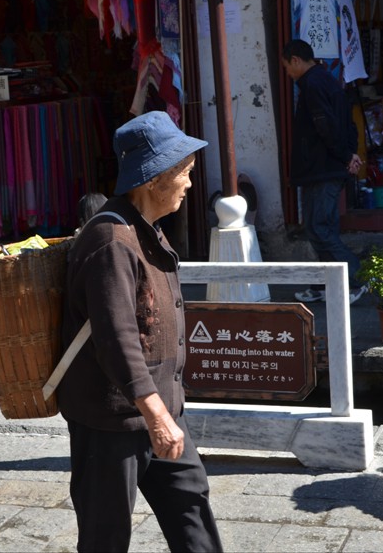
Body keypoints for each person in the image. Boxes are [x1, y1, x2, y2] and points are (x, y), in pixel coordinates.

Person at [57, 111, 223, 553]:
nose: (189, 183)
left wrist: (165, 413)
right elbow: (117, 338)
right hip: (113, 418)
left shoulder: (145, 230)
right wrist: (155, 415)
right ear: (154, 179)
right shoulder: (110, 239)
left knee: (191, 507)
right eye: (183, 173)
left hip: (162, 408)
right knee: (105, 534)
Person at [281, 39, 367, 304]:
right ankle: (322, 286)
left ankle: (358, 279)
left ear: (296, 60)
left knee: (319, 228)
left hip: (322, 169)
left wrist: (345, 156)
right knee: (318, 228)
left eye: (286, 66)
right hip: (326, 167)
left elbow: (326, 125)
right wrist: (350, 154)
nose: (287, 72)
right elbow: (347, 122)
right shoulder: (327, 80)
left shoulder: (313, 84)